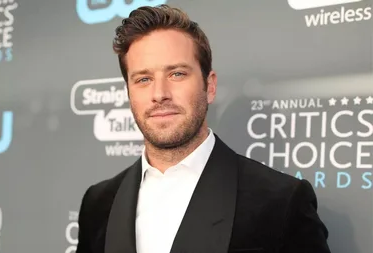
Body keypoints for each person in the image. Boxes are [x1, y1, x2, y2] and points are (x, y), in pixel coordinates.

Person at [76, 4, 331, 253]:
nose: (159, 94)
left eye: (176, 74)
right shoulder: (98, 203)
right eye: (143, 79)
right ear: (129, 93)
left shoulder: (281, 201)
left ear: (209, 86)